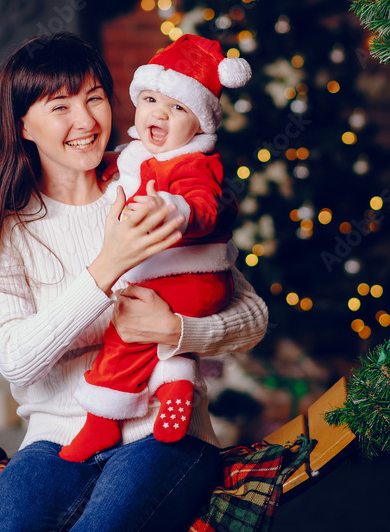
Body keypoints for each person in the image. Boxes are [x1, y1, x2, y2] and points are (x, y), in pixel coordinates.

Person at [0, 32, 267, 532]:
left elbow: (252, 318)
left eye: (95, 98)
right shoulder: (10, 228)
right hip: (55, 441)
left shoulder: (148, 184)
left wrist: (176, 330)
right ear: (23, 125)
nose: (86, 121)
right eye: (60, 107)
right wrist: (107, 265)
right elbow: (14, 360)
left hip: (163, 434)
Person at [60, 34, 253, 462]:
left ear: (200, 125)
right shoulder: (140, 154)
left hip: (189, 276)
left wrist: (175, 208)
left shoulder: (193, 164)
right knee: (156, 336)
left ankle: (103, 422)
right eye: (150, 100)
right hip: (184, 281)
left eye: (178, 107)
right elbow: (120, 166)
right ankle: (176, 382)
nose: (159, 113)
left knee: (126, 334)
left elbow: (202, 204)